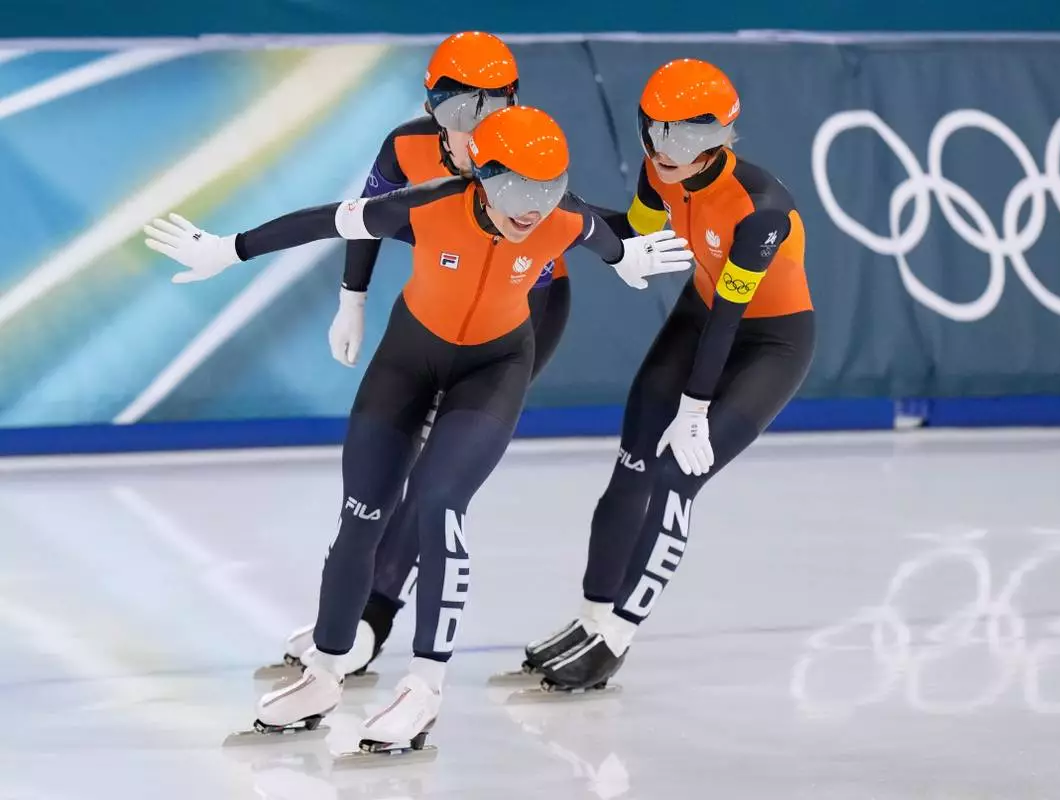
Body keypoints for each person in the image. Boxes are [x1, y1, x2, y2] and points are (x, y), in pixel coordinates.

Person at [145, 104, 693, 754]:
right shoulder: (423, 206)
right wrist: (228, 250)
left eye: (548, 190)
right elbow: (325, 220)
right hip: (408, 358)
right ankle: (323, 672)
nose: (532, 209)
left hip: (492, 370)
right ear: (482, 176)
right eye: (517, 188)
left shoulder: (562, 219)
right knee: (360, 515)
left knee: (439, 506)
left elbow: (607, 241)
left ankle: (424, 689)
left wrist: (626, 257)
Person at [262, 30, 574, 682]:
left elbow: (592, 226)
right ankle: (347, 616)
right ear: (431, 106)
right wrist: (352, 297)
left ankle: (374, 618)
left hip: (519, 318)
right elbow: (362, 217)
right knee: (381, 473)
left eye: (493, 110)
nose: (476, 129)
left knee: (436, 479)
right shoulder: (405, 146)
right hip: (433, 318)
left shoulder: (523, 151)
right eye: (461, 112)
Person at [517, 59, 816, 692]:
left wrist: (696, 408)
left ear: (717, 137)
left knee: (679, 476)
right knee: (631, 466)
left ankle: (618, 637)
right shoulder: (660, 172)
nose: (660, 148)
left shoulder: (760, 210)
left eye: (679, 137)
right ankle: (592, 616)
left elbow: (734, 317)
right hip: (698, 316)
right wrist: (555, 206)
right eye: (652, 130)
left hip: (770, 342)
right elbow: (635, 236)